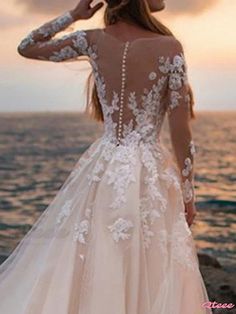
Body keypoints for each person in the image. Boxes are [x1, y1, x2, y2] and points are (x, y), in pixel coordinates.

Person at [0, 0, 212, 313]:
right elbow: (180, 129)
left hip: (104, 166)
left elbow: (27, 46)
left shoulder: (93, 40)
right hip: (149, 170)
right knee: (150, 259)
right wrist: (188, 192)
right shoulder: (170, 47)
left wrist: (73, 15)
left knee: (99, 251)